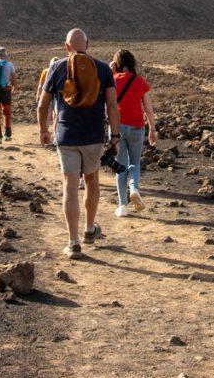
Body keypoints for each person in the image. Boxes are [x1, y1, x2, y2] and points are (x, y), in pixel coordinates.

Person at [38, 29, 120, 259]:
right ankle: (89, 229)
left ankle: (73, 242)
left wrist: (43, 130)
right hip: (93, 135)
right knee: (92, 181)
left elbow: (42, 104)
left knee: (70, 186)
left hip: (66, 135)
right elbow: (113, 106)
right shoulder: (103, 68)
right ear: (88, 44)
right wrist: (115, 136)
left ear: (66, 47)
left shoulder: (56, 67)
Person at [110, 49, 157, 217]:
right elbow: (149, 110)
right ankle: (134, 188)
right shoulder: (140, 81)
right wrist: (152, 129)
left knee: (120, 166)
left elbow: (106, 104)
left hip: (118, 128)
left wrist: (110, 73)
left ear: (117, 64)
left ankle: (122, 206)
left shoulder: (113, 80)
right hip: (137, 127)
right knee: (135, 163)